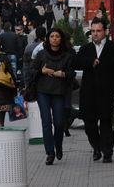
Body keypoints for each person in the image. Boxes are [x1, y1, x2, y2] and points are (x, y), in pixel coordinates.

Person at [75, 18, 114, 163]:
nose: (95, 34)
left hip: (108, 94)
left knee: (106, 125)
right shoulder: (85, 49)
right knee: (89, 126)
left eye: (98, 31)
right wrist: (90, 62)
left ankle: (107, 152)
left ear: (105, 31)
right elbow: (76, 63)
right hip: (89, 94)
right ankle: (96, 147)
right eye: (93, 31)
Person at [32, 28, 75, 165]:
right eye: (52, 36)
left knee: (59, 123)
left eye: (57, 36)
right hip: (43, 91)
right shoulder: (41, 55)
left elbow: (72, 74)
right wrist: (42, 70)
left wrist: (63, 74)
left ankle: (58, 145)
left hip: (59, 92)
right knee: (46, 122)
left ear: (61, 39)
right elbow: (32, 71)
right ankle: (50, 153)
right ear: (48, 39)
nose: (55, 38)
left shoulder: (67, 56)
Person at [22, 25, 47, 90]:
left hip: (32, 78)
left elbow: (26, 67)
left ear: (36, 34)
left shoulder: (29, 47)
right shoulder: (48, 47)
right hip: (46, 79)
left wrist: (26, 83)